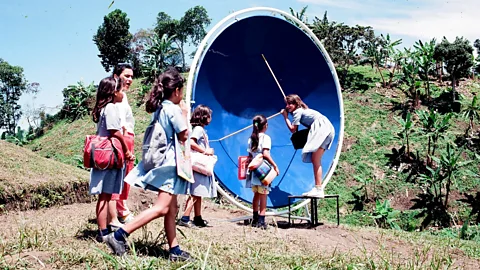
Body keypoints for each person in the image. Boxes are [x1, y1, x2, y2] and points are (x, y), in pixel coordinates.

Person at [105, 67, 192, 262]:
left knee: (171, 209)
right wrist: (185, 113)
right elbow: (184, 135)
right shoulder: (174, 109)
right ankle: (119, 235)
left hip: (162, 162)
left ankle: (175, 249)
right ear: (177, 90)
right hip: (170, 165)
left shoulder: (161, 107)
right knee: (161, 208)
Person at [89, 76, 135, 242]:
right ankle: (103, 231)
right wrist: (126, 151)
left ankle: (104, 229)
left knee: (105, 195)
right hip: (109, 155)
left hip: (103, 154)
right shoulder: (111, 108)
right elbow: (115, 132)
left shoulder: (105, 108)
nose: (123, 93)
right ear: (114, 92)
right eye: (121, 90)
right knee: (105, 195)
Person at [281, 94, 335, 198]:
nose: (287, 106)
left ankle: (318, 189)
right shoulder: (302, 110)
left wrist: (285, 117)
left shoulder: (297, 112)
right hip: (328, 128)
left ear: (296, 104)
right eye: (286, 104)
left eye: (290, 104)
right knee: (316, 159)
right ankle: (318, 189)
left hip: (321, 128)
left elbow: (293, 129)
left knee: (315, 159)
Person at [178, 105, 217, 228]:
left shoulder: (199, 129)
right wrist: (205, 151)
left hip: (198, 166)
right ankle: (185, 217)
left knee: (198, 192)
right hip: (198, 165)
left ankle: (198, 217)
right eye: (209, 115)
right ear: (204, 117)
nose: (210, 118)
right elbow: (191, 142)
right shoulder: (199, 129)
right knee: (194, 193)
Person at [111, 63, 135, 225]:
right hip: (122, 139)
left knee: (126, 173)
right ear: (116, 76)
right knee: (120, 174)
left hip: (128, 138)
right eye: (126, 76)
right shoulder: (116, 97)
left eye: (132, 76)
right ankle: (121, 210)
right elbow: (119, 124)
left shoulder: (123, 96)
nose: (130, 79)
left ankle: (121, 207)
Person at [246, 115, 279, 229]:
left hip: (254, 172)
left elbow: (250, 155)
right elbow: (266, 154)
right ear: (265, 125)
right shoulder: (266, 138)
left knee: (256, 195)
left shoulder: (251, 138)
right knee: (264, 195)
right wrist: (275, 166)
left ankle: (255, 218)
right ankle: (261, 220)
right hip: (263, 171)